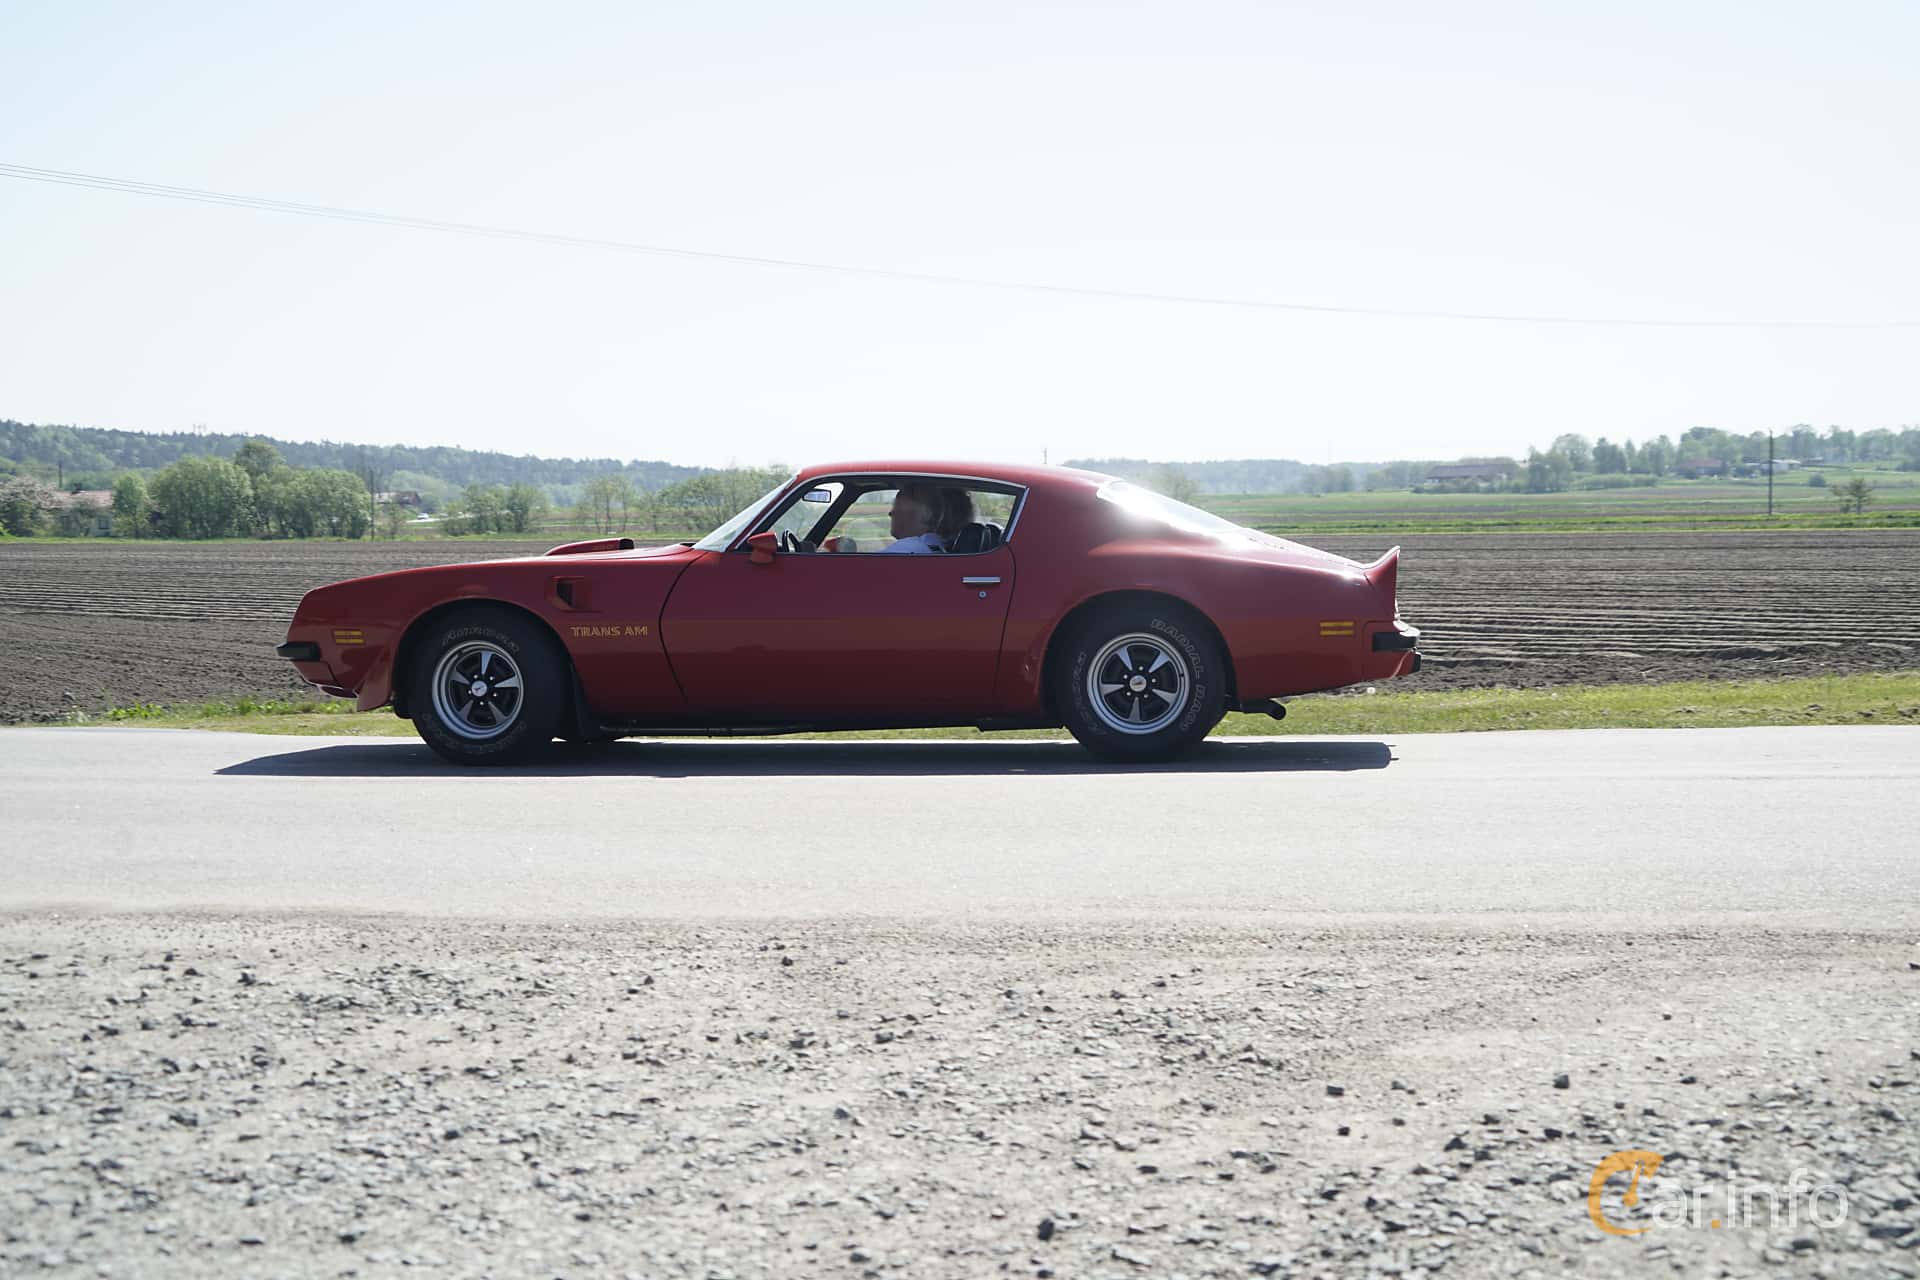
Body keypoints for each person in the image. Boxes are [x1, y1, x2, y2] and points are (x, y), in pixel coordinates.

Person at [879, 483, 972, 554]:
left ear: (920, 514)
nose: (890, 513)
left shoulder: (907, 548)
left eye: (897, 506)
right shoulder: (936, 545)